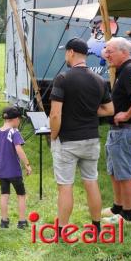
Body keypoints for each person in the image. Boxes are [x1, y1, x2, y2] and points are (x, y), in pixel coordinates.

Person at [49, 37, 114, 237]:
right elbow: (109, 109)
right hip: (91, 139)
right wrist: (87, 111)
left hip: (67, 141)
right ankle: (96, 227)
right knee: (91, 182)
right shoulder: (99, 80)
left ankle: (62, 231)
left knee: (65, 187)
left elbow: (55, 114)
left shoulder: (62, 79)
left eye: (65, 53)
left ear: (70, 52)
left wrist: (53, 136)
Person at [101, 37, 131, 223]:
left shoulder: (130, 69)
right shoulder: (124, 67)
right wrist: (123, 46)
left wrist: (127, 114)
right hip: (118, 131)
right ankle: (117, 208)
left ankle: (126, 215)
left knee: (124, 173)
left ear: (123, 52)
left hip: (125, 130)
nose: (107, 55)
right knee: (115, 171)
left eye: (110, 52)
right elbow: (108, 51)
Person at [0, 106, 32, 229]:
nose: (19, 122)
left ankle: (4, 221)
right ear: (15, 119)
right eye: (19, 119)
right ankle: (22, 221)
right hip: (14, 171)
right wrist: (27, 164)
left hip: (1, 171)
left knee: (4, 194)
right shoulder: (14, 132)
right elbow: (19, 149)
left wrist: (1, 146)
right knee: (21, 195)